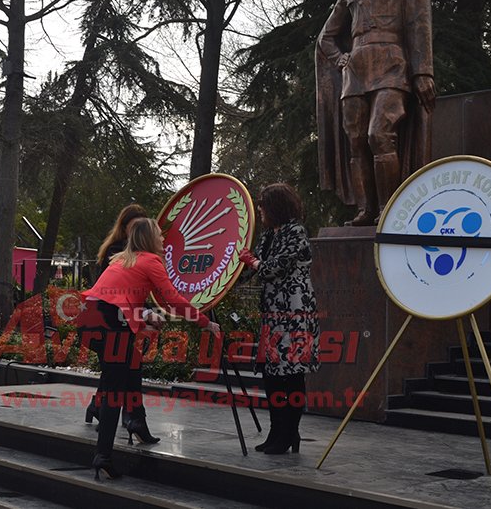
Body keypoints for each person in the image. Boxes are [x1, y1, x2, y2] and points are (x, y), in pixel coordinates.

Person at [315, 0, 436, 226]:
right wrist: (342, 59)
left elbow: (418, 25)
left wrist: (423, 72)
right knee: (355, 141)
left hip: (392, 66)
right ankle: (367, 210)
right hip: (355, 72)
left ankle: (390, 209)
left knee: (378, 135)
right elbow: (326, 38)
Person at [80, 218, 221, 480]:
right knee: (114, 390)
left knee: (131, 366)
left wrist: (144, 315)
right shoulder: (151, 261)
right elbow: (173, 300)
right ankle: (103, 456)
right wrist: (205, 322)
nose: (163, 239)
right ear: (148, 239)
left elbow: (116, 296)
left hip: (89, 318)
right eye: (159, 234)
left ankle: (137, 423)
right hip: (109, 322)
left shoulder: (122, 259)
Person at [239, 183, 320, 454]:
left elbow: (273, 268)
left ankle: (289, 433)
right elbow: (253, 267)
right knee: (272, 377)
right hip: (273, 315)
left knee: (292, 376)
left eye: (263, 204)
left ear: (275, 206)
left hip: (294, 313)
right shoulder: (268, 235)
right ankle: (277, 432)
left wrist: (251, 262)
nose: (259, 209)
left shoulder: (295, 232)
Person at [84, 204, 150, 427]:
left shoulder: (128, 250)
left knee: (115, 370)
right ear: (124, 227)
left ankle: (99, 408)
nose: (137, 231)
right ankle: (129, 416)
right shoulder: (118, 250)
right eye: (134, 226)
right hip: (111, 318)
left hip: (120, 318)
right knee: (119, 368)